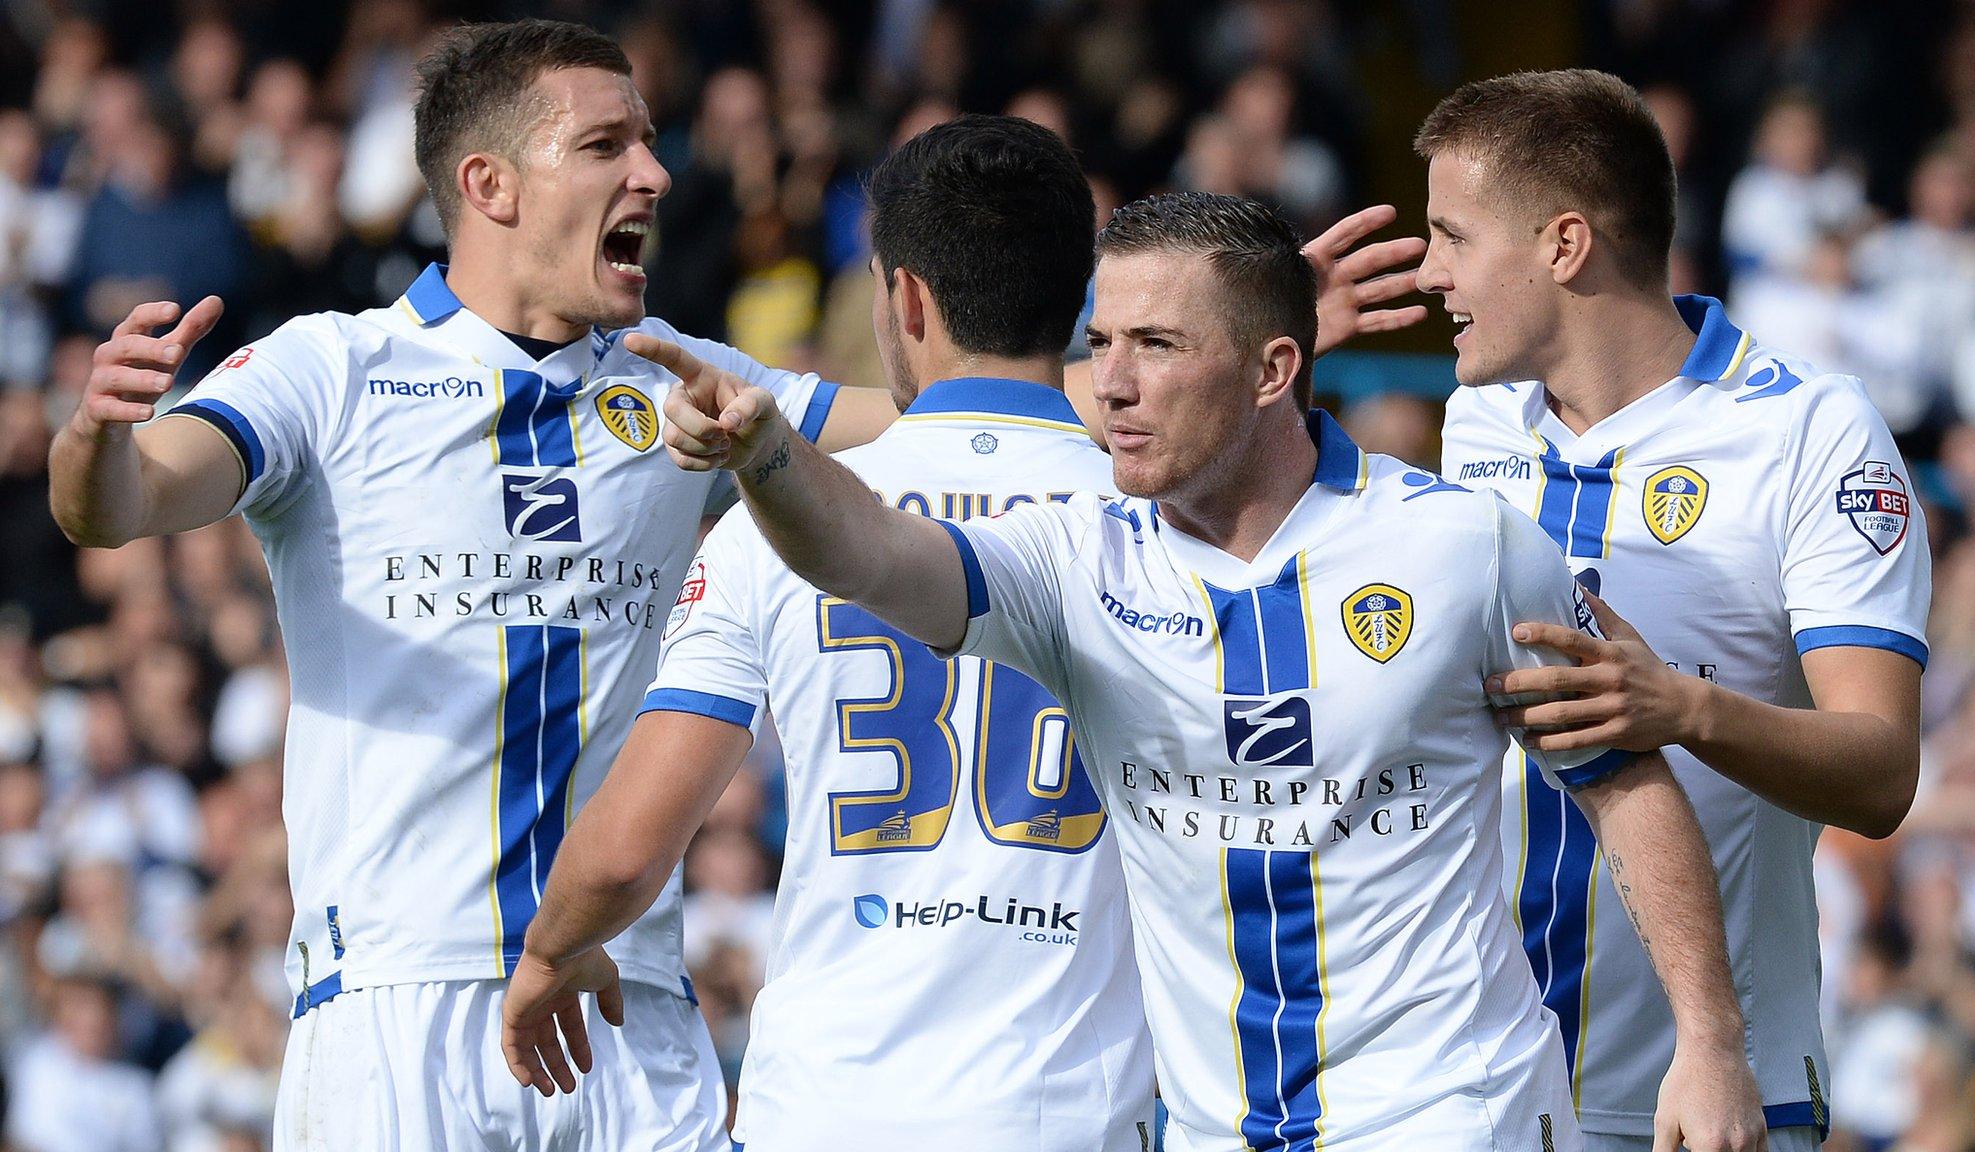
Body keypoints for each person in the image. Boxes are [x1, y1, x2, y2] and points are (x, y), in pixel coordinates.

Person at [44, 18, 1422, 1146]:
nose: (653, 169)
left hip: (626, 999)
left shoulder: (692, 383)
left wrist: (1204, 350)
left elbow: (955, 415)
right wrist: (95, 439)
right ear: (489, 185)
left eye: (649, 134)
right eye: (607, 143)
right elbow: (130, 502)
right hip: (402, 995)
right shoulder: (329, 371)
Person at [614, 189, 1767, 1152]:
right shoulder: (1069, 556)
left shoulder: (1465, 547)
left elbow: (1623, 781)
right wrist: (768, 460)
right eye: (1097, 341)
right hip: (1208, 1130)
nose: (1107, 385)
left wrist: (1708, 1045)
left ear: (1273, 369)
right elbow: (867, 553)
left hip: (1447, 1113)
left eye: (1154, 346)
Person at [501, 114, 1154, 1150]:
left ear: (902, 297)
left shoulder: (775, 526)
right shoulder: (1160, 532)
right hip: (1074, 1111)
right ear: (1077, 292)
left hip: (829, 1110)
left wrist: (550, 952)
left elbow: (627, 851)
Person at [1420, 70, 1932, 1152]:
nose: (1429, 274)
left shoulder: (1809, 431)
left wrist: (1682, 710)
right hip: (1475, 1089)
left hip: (1702, 1101)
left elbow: (1881, 772)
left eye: (1451, 237)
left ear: (1563, 246)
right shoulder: (1476, 424)